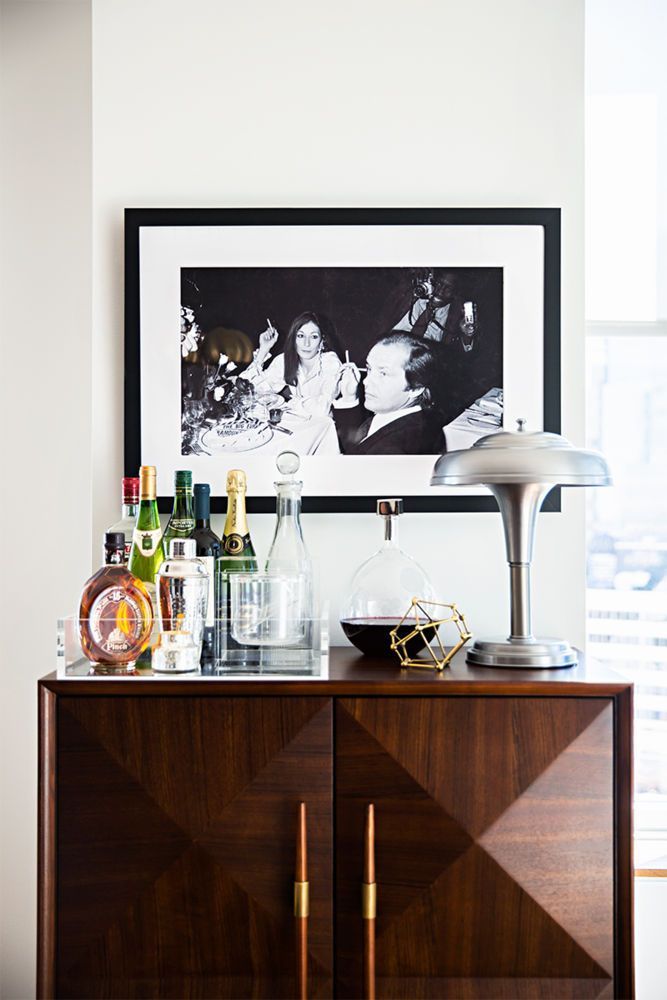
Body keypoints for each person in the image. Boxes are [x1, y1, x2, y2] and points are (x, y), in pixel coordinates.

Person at [333, 332, 445, 455]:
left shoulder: (392, 450)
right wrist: (349, 397)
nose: (365, 381)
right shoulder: (396, 415)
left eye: (383, 373)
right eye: (369, 369)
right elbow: (358, 443)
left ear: (415, 389)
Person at [242, 311, 343, 416]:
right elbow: (246, 389)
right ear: (294, 339)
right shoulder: (285, 360)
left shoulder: (330, 362)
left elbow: (322, 409)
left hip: (324, 427)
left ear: (322, 341)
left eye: (313, 337)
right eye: (300, 336)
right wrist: (263, 350)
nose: (306, 343)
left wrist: (290, 404)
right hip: (297, 422)